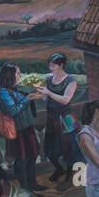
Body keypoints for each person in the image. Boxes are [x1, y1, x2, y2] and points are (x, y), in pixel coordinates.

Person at [0, 62, 45, 192]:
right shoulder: (3, 93)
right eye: (18, 73)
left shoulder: (14, 89)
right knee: (22, 160)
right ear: (10, 75)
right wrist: (27, 99)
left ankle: (32, 183)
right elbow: (13, 111)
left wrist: (32, 96)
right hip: (17, 131)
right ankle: (26, 190)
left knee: (33, 156)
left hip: (26, 128)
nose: (20, 75)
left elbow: (21, 102)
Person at [37, 53, 79, 188]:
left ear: (61, 65)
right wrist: (41, 93)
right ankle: (59, 169)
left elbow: (66, 100)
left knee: (69, 149)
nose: (50, 68)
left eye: (53, 65)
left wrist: (48, 93)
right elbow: (45, 99)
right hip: (52, 118)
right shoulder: (48, 80)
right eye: (49, 65)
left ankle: (69, 176)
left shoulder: (71, 80)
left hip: (66, 119)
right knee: (49, 149)